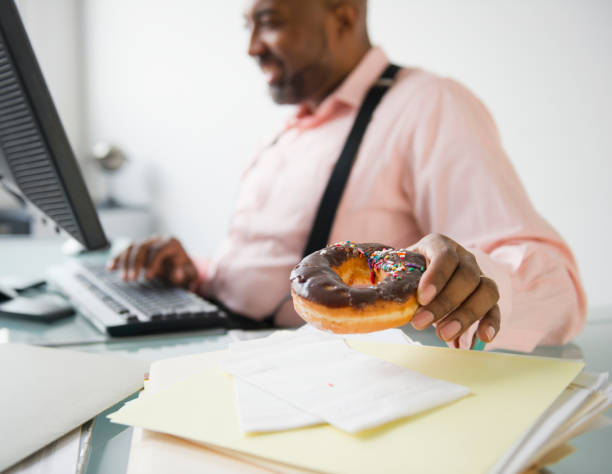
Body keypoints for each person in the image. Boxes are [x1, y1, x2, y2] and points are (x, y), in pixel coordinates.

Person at [110, 0, 586, 352]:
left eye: (270, 21)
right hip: (205, 340)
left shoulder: (428, 105)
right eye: (247, 25)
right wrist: (197, 273)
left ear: (342, 13)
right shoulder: (285, 134)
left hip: (303, 384)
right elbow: (270, 268)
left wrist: (473, 277)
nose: (252, 47)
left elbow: (558, 290)